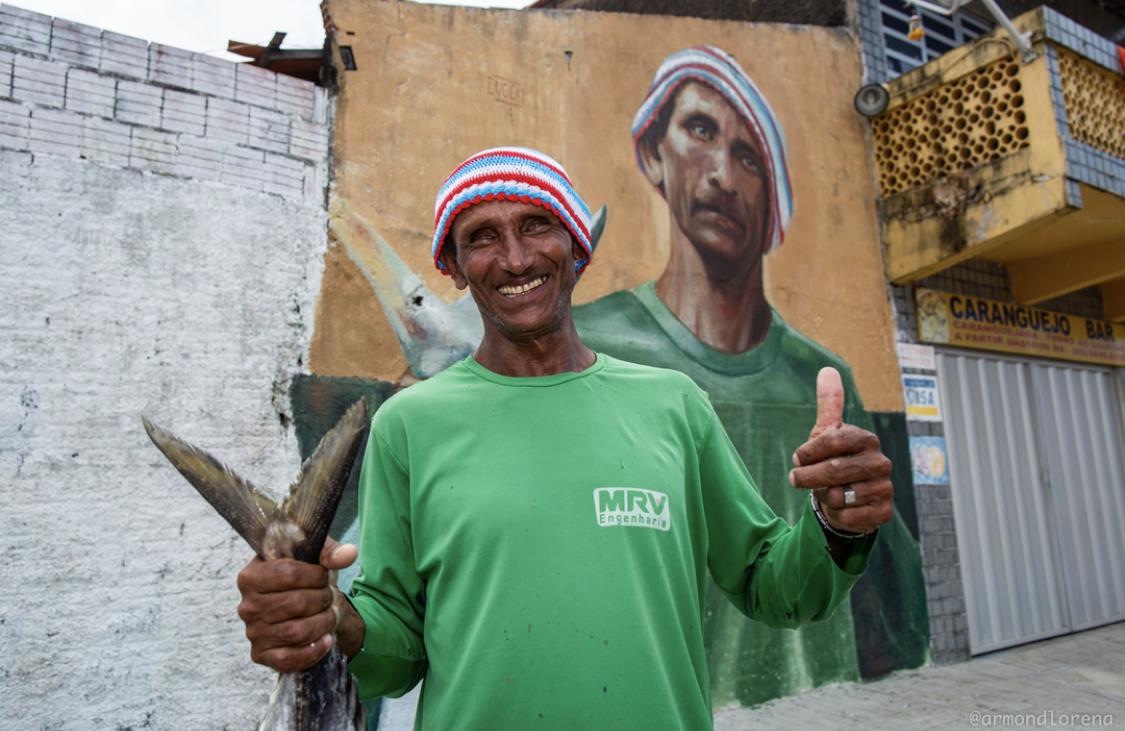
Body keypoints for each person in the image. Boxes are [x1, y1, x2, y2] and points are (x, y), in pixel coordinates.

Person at [235, 147, 895, 729]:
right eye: (482, 237)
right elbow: (394, 654)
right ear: (457, 267)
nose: (515, 257)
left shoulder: (673, 406)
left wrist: (836, 527)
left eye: (536, 225)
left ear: (577, 245)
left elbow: (774, 585)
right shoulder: (411, 423)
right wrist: (329, 616)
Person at [572, 46, 928, 702]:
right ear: (652, 152)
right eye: (700, 130)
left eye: (749, 157)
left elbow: (888, 594)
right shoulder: (585, 346)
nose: (722, 177)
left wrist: (850, 522)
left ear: (774, 204)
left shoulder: (820, 377)